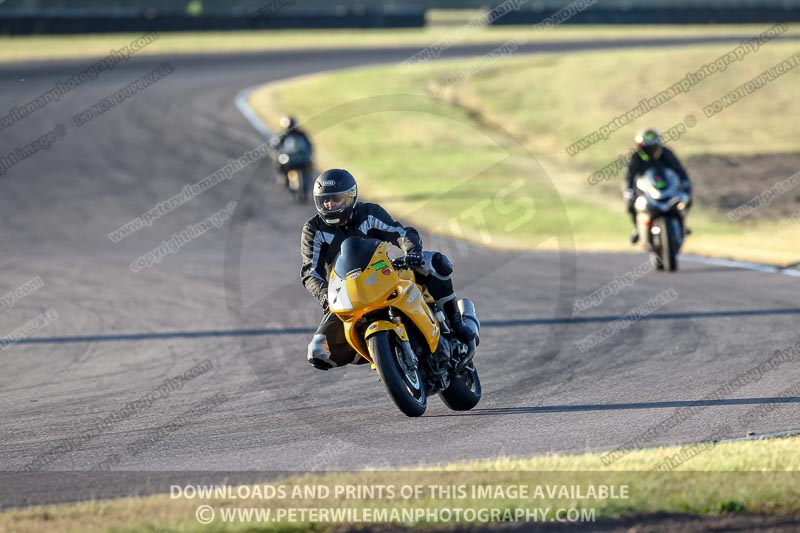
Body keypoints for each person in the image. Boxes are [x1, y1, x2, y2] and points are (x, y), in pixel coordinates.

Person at [300, 168, 475, 371]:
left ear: (350, 197)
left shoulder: (369, 213)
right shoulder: (313, 229)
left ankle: (456, 322)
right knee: (318, 350)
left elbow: (400, 233)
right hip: (346, 292)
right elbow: (309, 272)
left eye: (336, 199)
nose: (329, 205)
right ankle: (382, 356)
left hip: (382, 270)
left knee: (434, 262)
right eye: (325, 201)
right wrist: (324, 295)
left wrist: (413, 251)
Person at [623, 128, 692, 244]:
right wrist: (629, 190)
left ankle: (683, 225)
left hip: (666, 187)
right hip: (645, 189)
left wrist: (684, 182)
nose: (651, 151)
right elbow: (629, 176)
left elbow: (679, 170)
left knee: (686, 199)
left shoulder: (666, 153)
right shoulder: (636, 157)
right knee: (630, 203)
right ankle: (636, 228)